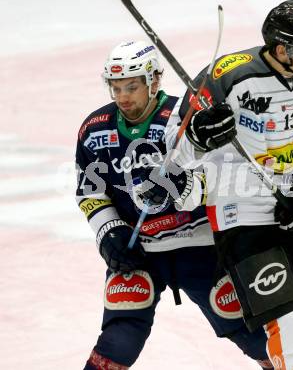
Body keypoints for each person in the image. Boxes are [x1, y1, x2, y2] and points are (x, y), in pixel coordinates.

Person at [166, 0, 293, 369]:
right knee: (288, 328)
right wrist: (199, 135)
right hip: (239, 208)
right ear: (281, 50)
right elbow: (174, 152)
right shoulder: (226, 76)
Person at [75, 41, 273, 369]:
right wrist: (108, 232)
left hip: (202, 248)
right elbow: (90, 192)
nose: (123, 97)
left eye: (132, 86)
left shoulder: (184, 118)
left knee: (254, 336)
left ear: (153, 81)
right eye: (116, 88)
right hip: (137, 250)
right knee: (118, 341)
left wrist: (183, 186)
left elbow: (226, 177)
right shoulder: (95, 130)